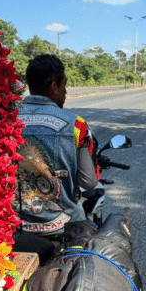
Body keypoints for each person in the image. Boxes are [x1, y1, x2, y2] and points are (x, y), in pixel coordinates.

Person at [14, 54, 99, 238]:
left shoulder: (3, 120)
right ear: (54, 87)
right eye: (64, 85)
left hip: (15, 223)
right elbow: (89, 182)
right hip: (63, 225)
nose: (66, 92)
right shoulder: (75, 124)